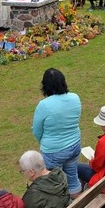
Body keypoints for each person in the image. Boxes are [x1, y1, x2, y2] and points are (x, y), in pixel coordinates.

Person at [31, 68, 82, 198]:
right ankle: (79, 203)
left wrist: (47, 143)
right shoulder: (75, 98)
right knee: (72, 176)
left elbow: (37, 130)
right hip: (74, 145)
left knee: (55, 183)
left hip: (54, 151)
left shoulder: (44, 105)